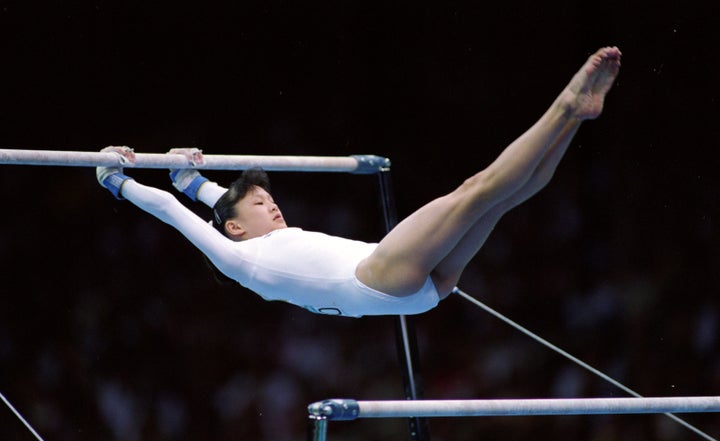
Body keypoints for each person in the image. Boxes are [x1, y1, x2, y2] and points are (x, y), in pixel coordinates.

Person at [97, 46, 622, 317]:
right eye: (260, 204)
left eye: (268, 197)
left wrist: (186, 174)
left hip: (418, 292)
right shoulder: (235, 260)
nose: (272, 204)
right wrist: (113, 177)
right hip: (381, 273)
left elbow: (215, 200)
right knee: (477, 189)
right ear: (235, 228)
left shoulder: (255, 239)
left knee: (501, 200)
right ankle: (565, 105)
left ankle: (576, 119)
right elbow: (172, 210)